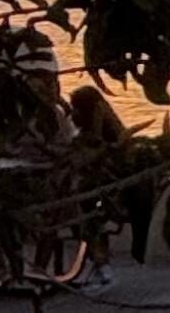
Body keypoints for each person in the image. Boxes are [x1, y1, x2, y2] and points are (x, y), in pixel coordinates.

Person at [67, 85, 151, 283]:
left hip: (109, 194)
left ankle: (101, 265)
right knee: (86, 208)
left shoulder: (110, 139)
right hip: (103, 192)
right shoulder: (96, 136)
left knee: (89, 211)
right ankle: (98, 263)